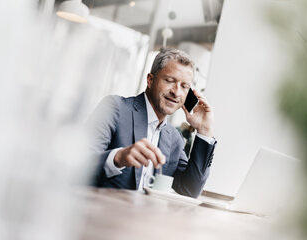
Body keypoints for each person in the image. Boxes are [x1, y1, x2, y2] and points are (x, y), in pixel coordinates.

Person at [88, 48, 216, 198]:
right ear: (150, 80)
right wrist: (118, 157)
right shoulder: (114, 108)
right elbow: (80, 164)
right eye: (169, 81)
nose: (176, 92)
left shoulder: (173, 137)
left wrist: (204, 131)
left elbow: (190, 189)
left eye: (184, 86)